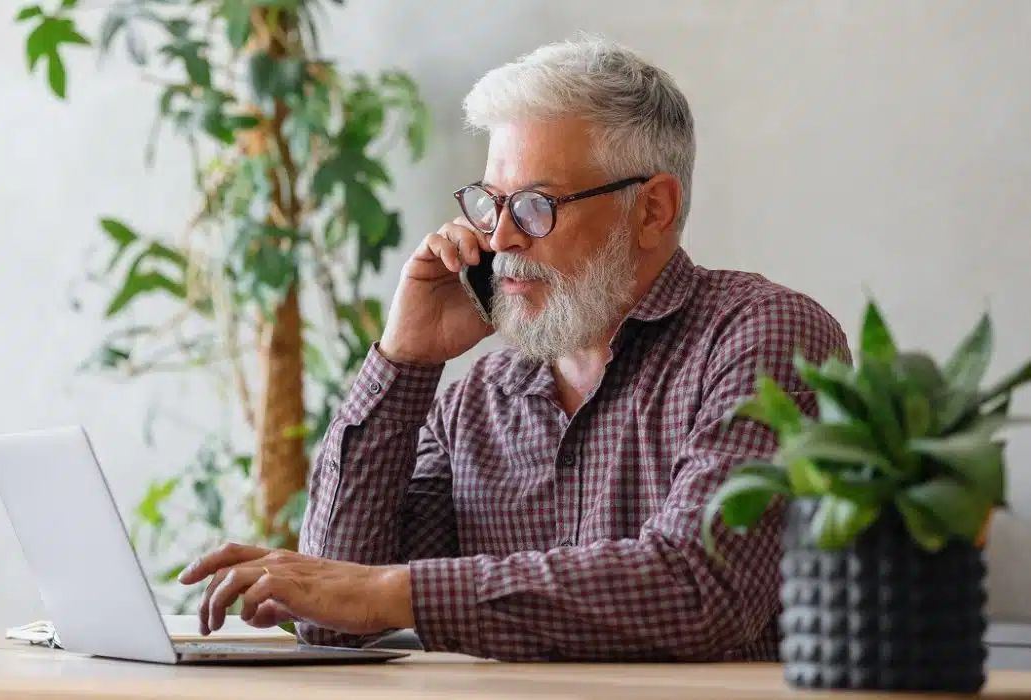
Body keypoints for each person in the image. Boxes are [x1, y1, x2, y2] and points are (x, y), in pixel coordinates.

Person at [176, 35, 850, 662]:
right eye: (489, 203)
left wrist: (389, 593)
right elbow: (332, 619)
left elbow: (702, 590)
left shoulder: (765, 337)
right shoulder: (480, 396)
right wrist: (405, 360)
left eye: (534, 205)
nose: (499, 238)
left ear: (652, 210)